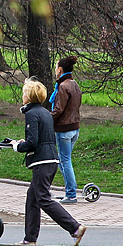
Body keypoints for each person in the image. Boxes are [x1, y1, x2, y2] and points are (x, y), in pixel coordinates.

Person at [11, 78, 87, 246]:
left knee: (43, 198)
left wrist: (17, 146)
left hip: (42, 162)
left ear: (29, 96)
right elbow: (40, 137)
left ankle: (74, 227)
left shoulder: (31, 113)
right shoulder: (45, 112)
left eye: (24, 93)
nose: (22, 96)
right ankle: (30, 238)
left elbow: (32, 142)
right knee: (32, 197)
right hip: (51, 159)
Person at [50, 56, 82, 204]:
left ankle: (70, 194)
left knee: (64, 161)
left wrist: (46, 118)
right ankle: (70, 190)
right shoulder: (74, 84)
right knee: (64, 161)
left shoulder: (63, 87)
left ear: (60, 70)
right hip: (75, 128)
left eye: (56, 68)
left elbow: (58, 110)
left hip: (64, 129)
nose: (55, 71)